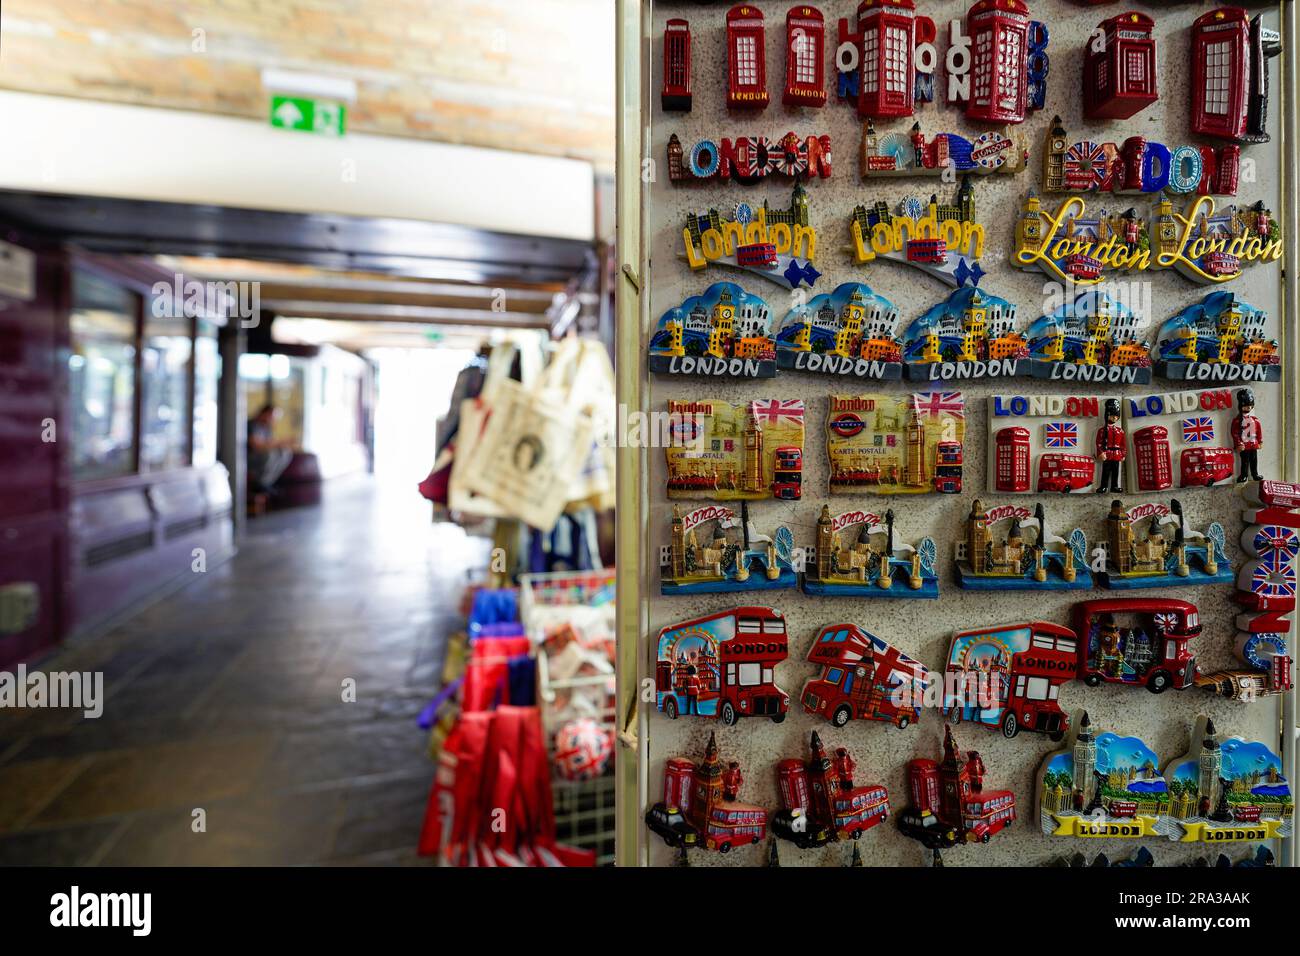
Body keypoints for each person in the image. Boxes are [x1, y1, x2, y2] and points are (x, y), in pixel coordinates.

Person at [247, 404, 294, 494]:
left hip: (261, 457)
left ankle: (267, 483)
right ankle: (260, 484)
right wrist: (279, 442)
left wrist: (281, 444)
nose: (274, 420)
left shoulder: (267, 428)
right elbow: (256, 445)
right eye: (272, 416)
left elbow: (271, 442)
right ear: (264, 413)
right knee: (270, 454)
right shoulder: (251, 424)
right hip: (249, 458)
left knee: (285, 453)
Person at [1094, 398, 1126, 493]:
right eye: (1112, 416)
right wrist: (1101, 452)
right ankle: (1104, 486)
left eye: (1116, 416)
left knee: (1115, 472)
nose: (1115, 418)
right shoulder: (1102, 430)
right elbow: (1099, 443)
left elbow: (1123, 444)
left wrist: (1123, 454)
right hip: (1107, 453)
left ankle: (1114, 486)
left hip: (1116, 454)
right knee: (1106, 472)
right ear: (1107, 415)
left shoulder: (1120, 431)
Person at [1231, 387, 1263, 483]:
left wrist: (1260, 441)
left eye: (1250, 406)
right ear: (1241, 406)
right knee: (1244, 462)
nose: (1248, 408)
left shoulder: (1255, 420)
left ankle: (1255, 474)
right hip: (1244, 446)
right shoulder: (1237, 421)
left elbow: (1259, 432)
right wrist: (1239, 443)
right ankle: (1244, 475)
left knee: (1254, 461)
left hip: (1253, 444)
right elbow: (1235, 433)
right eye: (1245, 406)